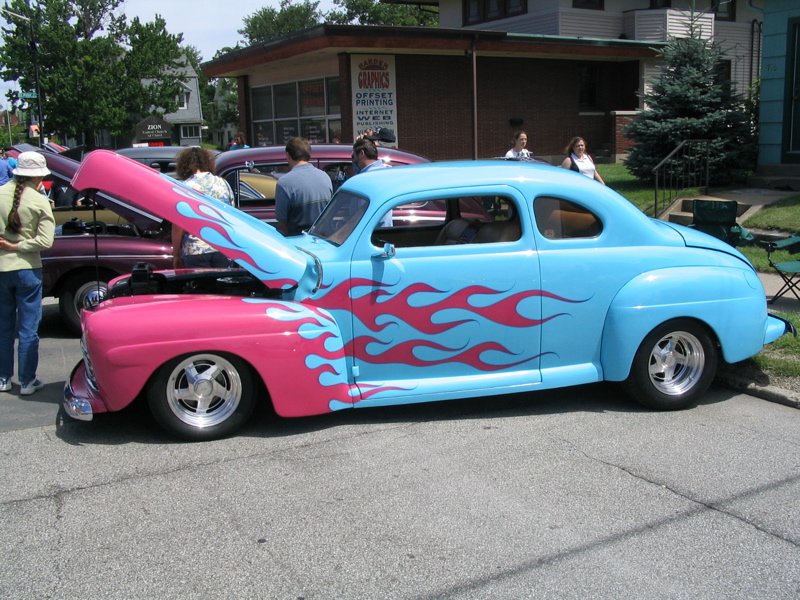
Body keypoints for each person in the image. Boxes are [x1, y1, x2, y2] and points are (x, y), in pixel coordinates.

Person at [0, 151, 55, 395]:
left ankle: (2, 378)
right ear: (38, 177)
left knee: (3, 327)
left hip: (1, 269)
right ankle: (27, 381)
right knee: (28, 329)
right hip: (28, 269)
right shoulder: (39, 199)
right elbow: (46, 240)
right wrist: (19, 246)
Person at [172, 147, 235, 269]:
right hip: (223, 246)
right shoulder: (223, 183)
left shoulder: (184, 188)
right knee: (222, 286)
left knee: (202, 286)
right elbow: (232, 215)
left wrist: (176, 255)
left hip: (196, 248)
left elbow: (177, 226)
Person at [275, 137, 332, 236]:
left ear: (288, 155)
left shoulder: (284, 183)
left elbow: (282, 224)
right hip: (323, 240)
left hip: (297, 243)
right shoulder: (325, 177)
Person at [351, 138, 393, 226]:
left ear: (362, 153)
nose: (353, 160)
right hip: (382, 231)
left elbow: (360, 215)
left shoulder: (366, 179)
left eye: (353, 156)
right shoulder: (385, 173)